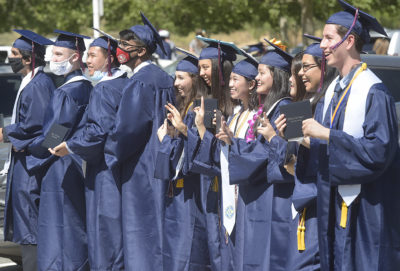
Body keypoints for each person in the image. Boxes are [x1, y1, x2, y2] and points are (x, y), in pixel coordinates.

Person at [301, 0, 400, 270]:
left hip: (365, 209)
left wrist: (328, 136)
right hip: (332, 204)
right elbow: (330, 147)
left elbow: (378, 152)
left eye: (328, 38)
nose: (321, 45)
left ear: (348, 41)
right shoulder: (333, 91)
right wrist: (308, 142)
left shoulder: (373, 92)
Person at [49, 33, 128, 270]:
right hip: (110, 164)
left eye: (58, 54)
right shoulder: (93, 86)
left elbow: (57, 128)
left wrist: (44, 148)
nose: (87, 60)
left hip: (75, 161)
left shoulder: (71, 90)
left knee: (94, 229)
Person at [104, 12, 175, 270]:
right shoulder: (163, 78)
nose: (119, 50)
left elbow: (128, 130)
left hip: (139, 165)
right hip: (160, 159)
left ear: (142, 51)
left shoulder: (140, 83)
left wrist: (109, 153)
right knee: (159, 224)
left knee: (140, 227)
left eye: (126, 45)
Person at [166, 38, 238, 271]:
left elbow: (211, 148)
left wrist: (188, 130)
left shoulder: (233, 104)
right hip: (209, 186)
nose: (203, 73)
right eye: (200, 69)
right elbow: (204, 151)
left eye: (206, 67)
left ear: (219, 68)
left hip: (228, 187)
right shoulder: (205, 104)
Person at [27, 29, 92, 271]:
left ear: (75, 57)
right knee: (76, 222)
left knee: (59, 226)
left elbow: (55, 135)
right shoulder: (86, 87)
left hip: (60, 165)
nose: (51, 58)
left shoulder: (67, 91)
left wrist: (31, 150)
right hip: (78, 162)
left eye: (58, 53)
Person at [0, 29, 55, 271]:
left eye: (13, 54)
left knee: (30, 223)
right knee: (25, 222)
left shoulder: (39, 85)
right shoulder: (30, 82)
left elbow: (36, 124)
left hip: (31, 162)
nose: (8, 59)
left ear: (27, 57)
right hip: (23, 160)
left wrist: (6, 133)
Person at [155, 49, 211, 270]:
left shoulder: (201, 107)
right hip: (178, 192)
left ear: (194, 79)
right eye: (175, 77)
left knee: (188, 247)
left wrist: (167, 139)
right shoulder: (183, 106)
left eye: (181, 78)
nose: (175, 83)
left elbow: (196, 148)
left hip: (192, 192)